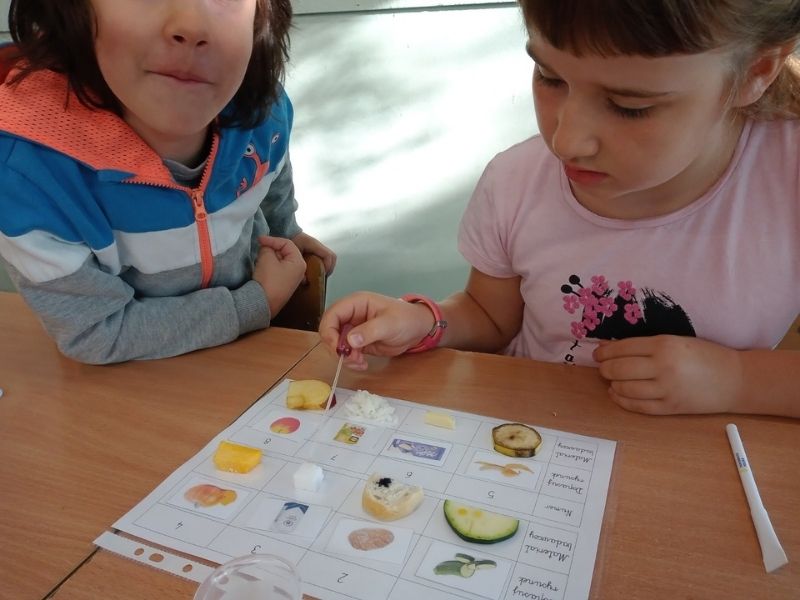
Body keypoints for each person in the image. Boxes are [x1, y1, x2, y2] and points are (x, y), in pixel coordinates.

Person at [320, 0, 800, 418]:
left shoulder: (786, 177)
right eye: (549, 77)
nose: (566, 141)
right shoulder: (516, 180)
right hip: (535, 440)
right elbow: (490, 316)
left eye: (629, 106)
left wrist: (738, 379)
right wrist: (425, 322)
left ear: (757, 72)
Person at [0, 0, 335, 364]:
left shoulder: (263, 109)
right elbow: (95, 333)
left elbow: (273, 165)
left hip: (250, 357)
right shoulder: (25, 174)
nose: (191, 27)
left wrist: (287, 230)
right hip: (135, 379)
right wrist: (256, 303)